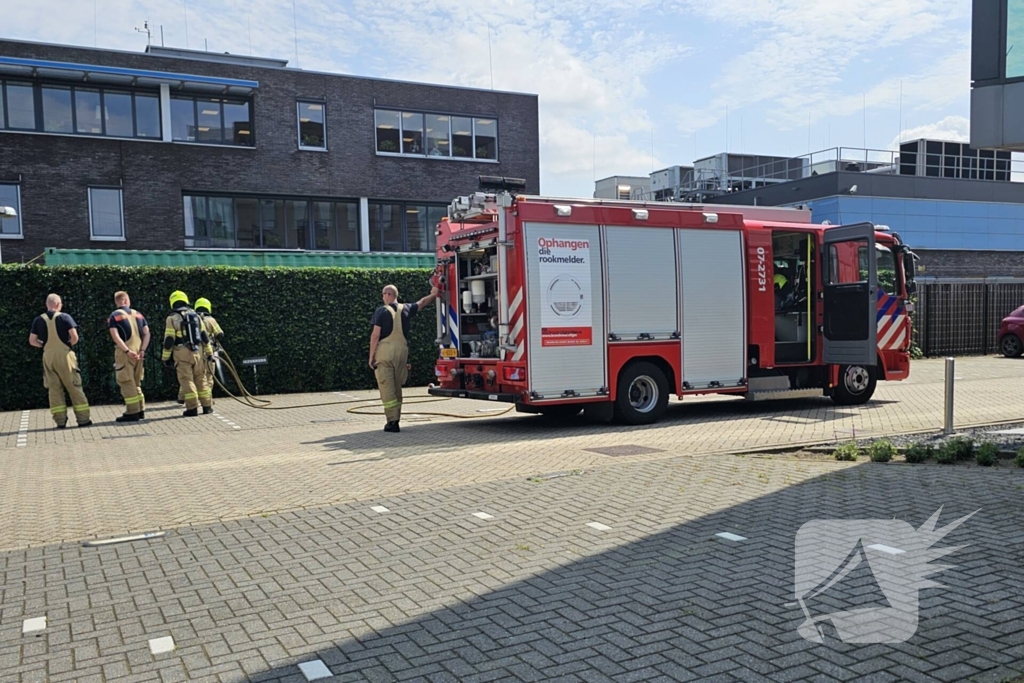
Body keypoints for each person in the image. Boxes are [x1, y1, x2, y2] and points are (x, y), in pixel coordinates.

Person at [368, 283, 439, 432]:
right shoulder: (406, 308)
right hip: (402, 352)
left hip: (386, 352)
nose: (383, 297)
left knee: (387, 386)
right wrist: (434, 293)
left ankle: (392, 422)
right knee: (397, 386)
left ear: (388, 295)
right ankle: (396, 418)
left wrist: (371, 356)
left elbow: (375, 335)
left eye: (383, 294)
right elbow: (422, 302)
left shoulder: (381, 311)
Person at [28, 293, 91, 429]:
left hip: (48, 356)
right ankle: (83, 420)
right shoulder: (65, 317)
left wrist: (44, 346)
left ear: (47, 305)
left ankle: (60, 421)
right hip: (64, 356)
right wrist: (68, 344)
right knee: (74, 386)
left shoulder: (38, 320)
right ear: (58, 304)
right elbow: (74, 337)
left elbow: (32, 341)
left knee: (54, 389)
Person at [161, 291, 213, 417]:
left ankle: (192, 408)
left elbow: (169, 340)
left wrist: (165, 357)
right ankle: (207, 406)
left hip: (182, 353)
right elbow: (204, 336)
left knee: (186, 379)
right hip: (198, 351)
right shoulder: (195, 315)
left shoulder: (172, 318)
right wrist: (209, 352)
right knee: (201, 378)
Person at [108, 291, 151, 422]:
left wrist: (126, 351)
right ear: (126, 300)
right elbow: (147, 333)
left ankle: (132, 411)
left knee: (126, 381)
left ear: (118, 302)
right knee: (136, 382)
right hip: (139, 352)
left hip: (125, 353)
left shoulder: (114, 316)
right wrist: (143, 349)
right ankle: (141, 409)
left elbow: (115, 336)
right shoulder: (138, 314)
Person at [195, 297, 224, 401]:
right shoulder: (211, 320)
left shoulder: (193, 320)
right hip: (209, 352)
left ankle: (189, 398)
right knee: (208, 376)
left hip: (195, 352)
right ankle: (207, 400)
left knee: (195, 375)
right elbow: (220, 334)